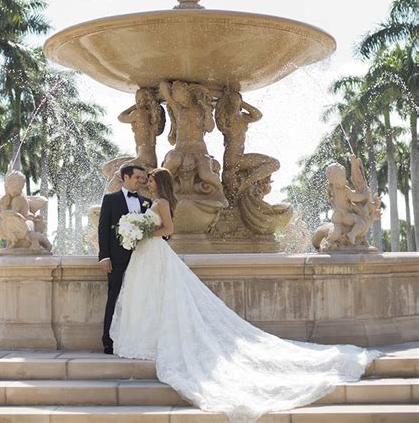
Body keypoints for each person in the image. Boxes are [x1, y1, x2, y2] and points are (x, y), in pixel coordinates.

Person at [109, 167, 381, 422]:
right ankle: (147, 334)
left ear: (160, 183)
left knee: (161, 296)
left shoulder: (162, 204)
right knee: (148, 297)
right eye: (148, 180)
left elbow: (168, 230)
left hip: (154, 251)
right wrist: (138, 232)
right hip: (146, 256)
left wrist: (145, 232)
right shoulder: (152, 202)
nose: (148, 182)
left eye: (152, 180)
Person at [98, 164, 151, 354]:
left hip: (142, 258)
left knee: (138, 299)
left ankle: (134, 338)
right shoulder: (110, 200)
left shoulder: (147, 202)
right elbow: (103, 229)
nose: (141, 181)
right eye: (138, 177)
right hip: (117, 259)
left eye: (142, 178)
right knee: (114, 297)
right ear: (126, 177)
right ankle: (108, 340)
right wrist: (104, 256)